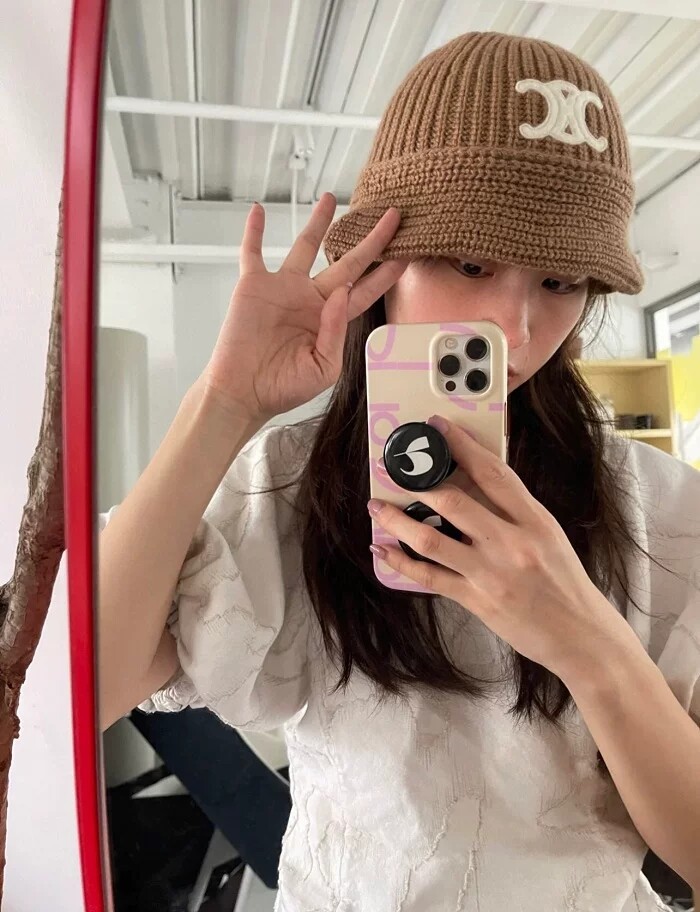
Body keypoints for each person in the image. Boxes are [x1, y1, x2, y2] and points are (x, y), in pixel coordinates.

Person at [98, 31, 700, 911]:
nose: (515, 328)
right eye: (471, 262)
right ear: (383, 264)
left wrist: (586, 642)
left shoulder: (663, 509)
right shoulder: (290, 485)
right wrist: (222, 403)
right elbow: (82, 691)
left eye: (563, 280)